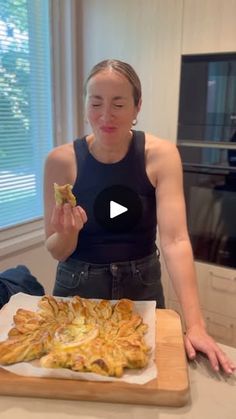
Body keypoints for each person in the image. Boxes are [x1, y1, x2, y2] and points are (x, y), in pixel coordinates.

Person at [44, 59, 235, 375]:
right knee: (76, 381)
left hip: (142, 285)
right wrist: (68, 233)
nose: (106, 115)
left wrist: (196, 325)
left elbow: (175, 240)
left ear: (137, 106)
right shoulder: (60, 161)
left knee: (146, 375)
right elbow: (56, 250)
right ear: (85, 105)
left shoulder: (160, 155)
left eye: (119, 103)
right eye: (96, 103)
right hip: (78, 286)